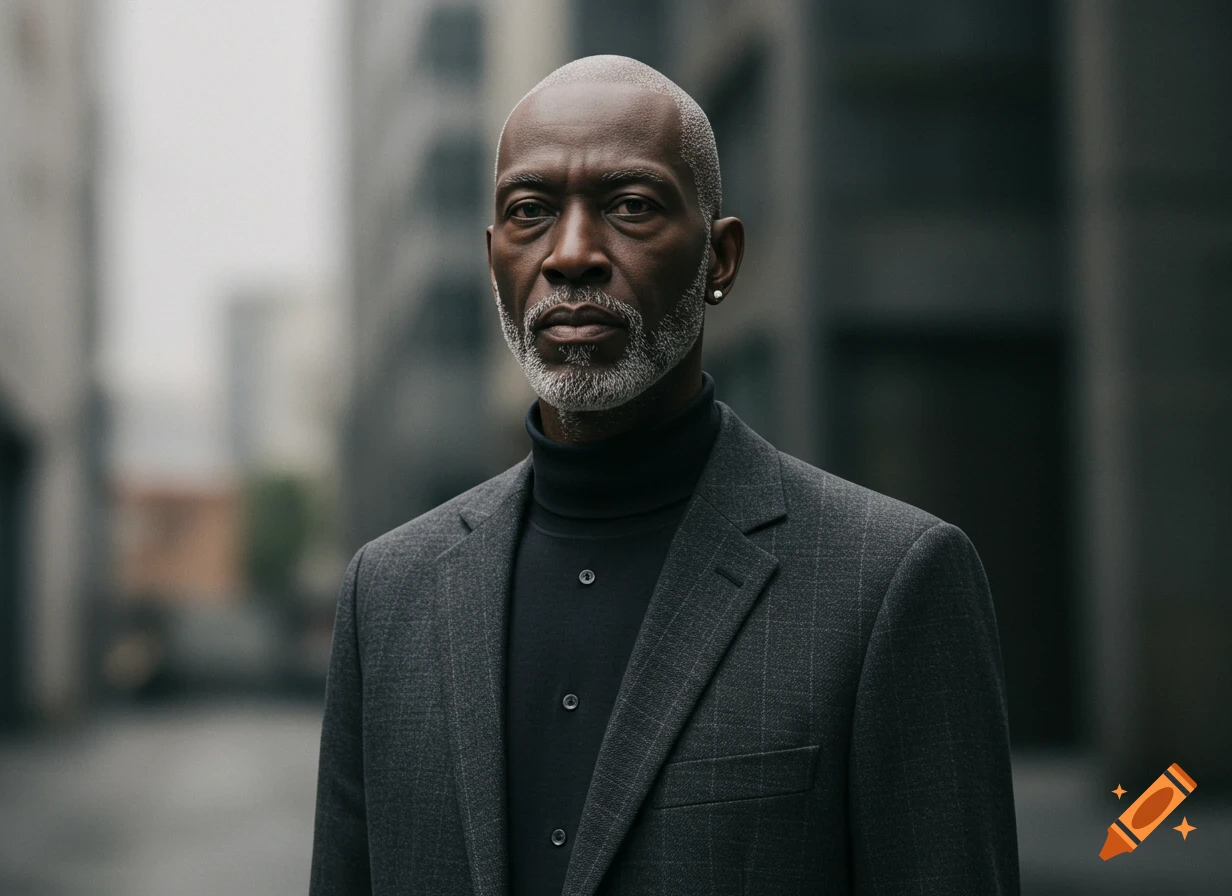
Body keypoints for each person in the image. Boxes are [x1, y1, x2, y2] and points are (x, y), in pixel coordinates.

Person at [309, 55, 1020, 896]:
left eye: (631, 207)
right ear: (492, 254)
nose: (571, 255)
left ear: (720, 258)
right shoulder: (387, 595)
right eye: (530, 212)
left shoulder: (893, 580)